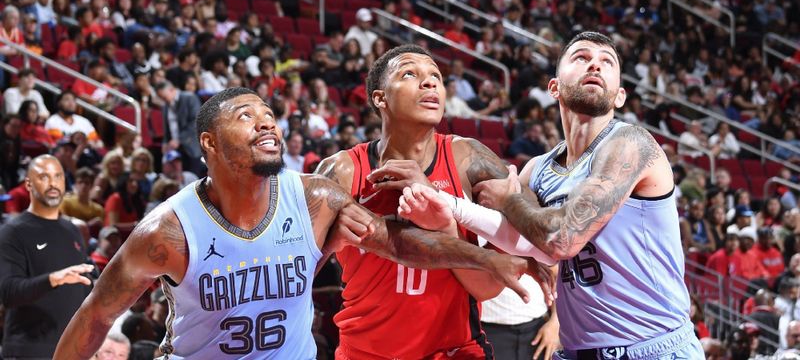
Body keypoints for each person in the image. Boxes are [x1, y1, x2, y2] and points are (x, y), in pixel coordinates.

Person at [54, 88, 527, 359]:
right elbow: (96, 314)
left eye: (270, 116)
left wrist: (486, 257)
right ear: (211, 144)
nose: (267, 125)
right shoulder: (167, 232)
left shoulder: (314, 199)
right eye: (247, 117)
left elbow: (396, 243)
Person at [398, 32, 703, 359]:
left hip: (651, 348)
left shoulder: (631, 144)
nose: (595, 65)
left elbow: (562, 239)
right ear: (554, 87)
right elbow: (508, 262)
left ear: (620, 96)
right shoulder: (537, 170)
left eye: (607, 62)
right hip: (577, 351)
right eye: (582, 58)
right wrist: (446, 215)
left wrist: (505, 200)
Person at [315, 44, 552, 359]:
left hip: (455, 349)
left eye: (436, 77)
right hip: (366, 351)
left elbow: (489, 285)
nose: (430, 83)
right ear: (379, 97)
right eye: (410, 74)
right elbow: (301, 268)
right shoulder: (343, 170)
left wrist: (527, 246)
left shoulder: (469, 157)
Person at [0, 155, 94, 359]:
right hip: (28, 350)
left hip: (71, 350)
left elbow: (84, 290)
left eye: (58, 176)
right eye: (44, 177)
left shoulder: (72, 230)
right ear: (28, 184)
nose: (53, 183)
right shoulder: (13, 232)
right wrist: (53, 279)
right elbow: (9, 293)